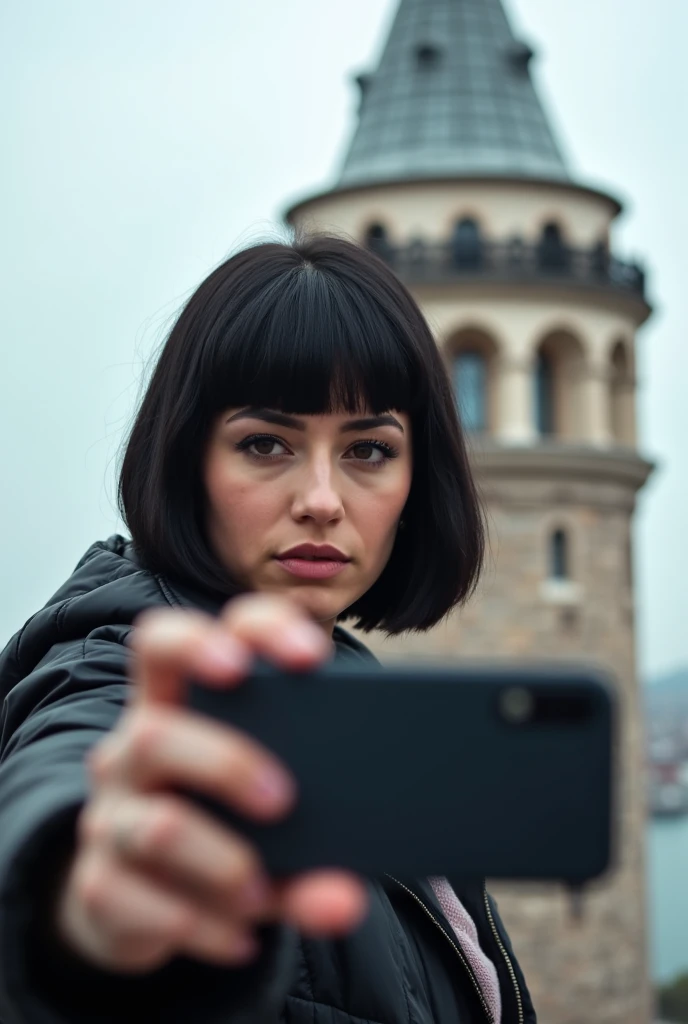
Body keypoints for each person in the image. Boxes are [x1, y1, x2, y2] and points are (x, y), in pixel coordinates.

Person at [0, 235, 536, 1023]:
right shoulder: (113, 663)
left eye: (368, 449)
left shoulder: (349, 687)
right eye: (265, 444)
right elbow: (73, 767)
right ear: (188, 459)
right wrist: (75, 908)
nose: (322, 498)